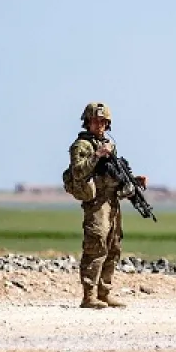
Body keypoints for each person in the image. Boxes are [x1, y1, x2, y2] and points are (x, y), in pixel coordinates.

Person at [67, 102, 147, 309]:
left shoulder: (109, 145)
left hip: (112, 202)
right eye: (95, 121)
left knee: (113, 246)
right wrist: (97, 155)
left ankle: (104, 292)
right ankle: (89, 296)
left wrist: (134, 181)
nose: (99, 125)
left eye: (102, 121)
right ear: (87, 122)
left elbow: (113, 173)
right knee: (96, 245)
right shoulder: (81, 146)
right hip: (96, 203)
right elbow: (78, 172)